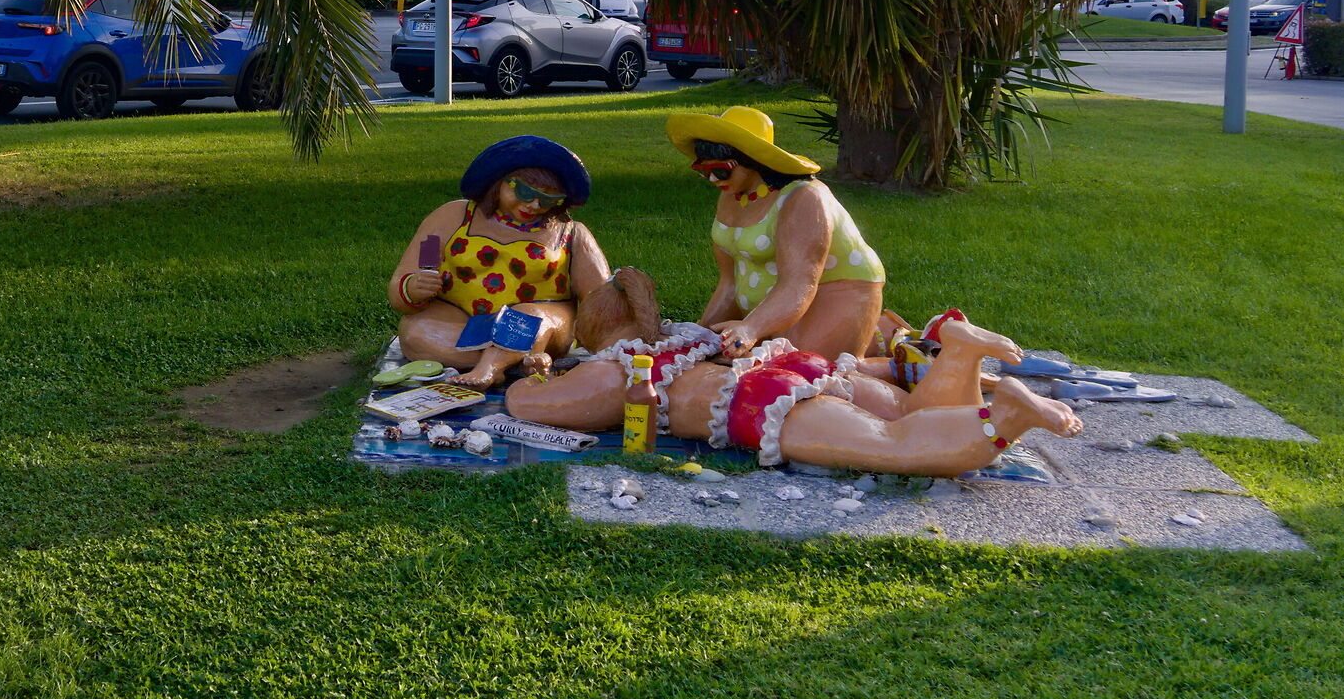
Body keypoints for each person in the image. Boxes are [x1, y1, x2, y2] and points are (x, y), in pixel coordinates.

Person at [503, 312, 1082, 476]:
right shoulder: (692, 338)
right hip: (799, 366)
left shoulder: (624, 369)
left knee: (896, 445)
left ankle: (1006, 413)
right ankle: (958, 351)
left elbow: (529, 406)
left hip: (759, 399)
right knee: (908, 411)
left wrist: (532, 372)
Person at [388, 137, 652, 390]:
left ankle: (489, 368)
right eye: (526, 192)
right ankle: (516, 360)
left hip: (540, 324)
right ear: (499, 182)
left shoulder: (570, 233)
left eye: (549, 200)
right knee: (418, 331)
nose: (535, 205)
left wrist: (621, 302)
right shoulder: (453, 217)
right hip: (460, 319)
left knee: (527, 318)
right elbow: (416, 268)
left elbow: (598, 303)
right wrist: (413, 287)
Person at [664, 105, 885, 362]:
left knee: (800, 370)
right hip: (771, 310)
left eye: (721, 170)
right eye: (704, 171)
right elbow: (730, 282)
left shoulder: (803, 198)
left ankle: (885, 360)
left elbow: (799, 283)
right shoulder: (732, 195)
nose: (713, 179)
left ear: (753, 161)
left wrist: (751, 328)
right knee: (710, 360)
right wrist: (701, 336)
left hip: (831, 293)